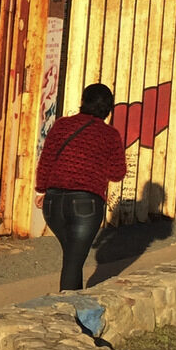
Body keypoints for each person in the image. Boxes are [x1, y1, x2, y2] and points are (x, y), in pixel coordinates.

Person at [34, 83, 128, 291]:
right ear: (108, 109)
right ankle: (66, 312)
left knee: (72, 259)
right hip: (86, 205)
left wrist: (41, 190)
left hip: (53, 203)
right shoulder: (109, 135)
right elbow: (117, 173)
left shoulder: (61, 125)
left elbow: (46, 160)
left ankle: (73, 305)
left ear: (83, 102)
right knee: (73, 261)